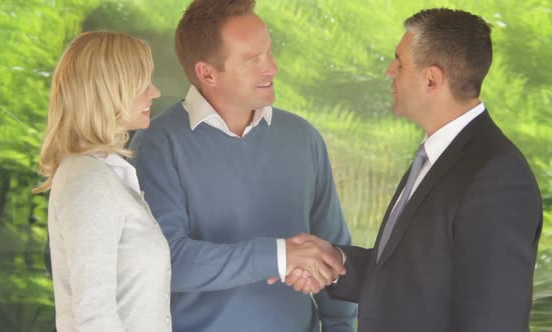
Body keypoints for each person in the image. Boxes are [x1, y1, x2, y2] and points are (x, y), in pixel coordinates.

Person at [284, 8, 543, 332]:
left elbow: (493, 319)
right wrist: (336, 262)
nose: (389, 71)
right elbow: (415, 278)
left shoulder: (496, 176)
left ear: (431, 79)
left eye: (400, 62)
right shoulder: (437, 156)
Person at [129, 0, 356, 331]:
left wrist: (341, 328)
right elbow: (165, 262)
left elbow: (335, 255)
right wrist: (278, 257)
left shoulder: (302, 138)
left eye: (268, 52)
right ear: (207, 73)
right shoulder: (158, 145)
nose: (272, 68)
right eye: (253, 60)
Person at [33, 31, 171, 332]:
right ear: (108, 91)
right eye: (142, 85)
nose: (155, 92)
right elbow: (94, 319)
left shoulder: (100, 173)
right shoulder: (88, 180)